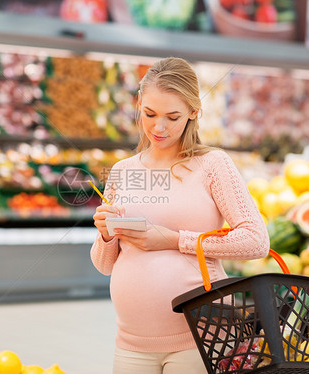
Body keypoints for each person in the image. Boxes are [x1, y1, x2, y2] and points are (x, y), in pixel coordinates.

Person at [90, 57, 269, 374]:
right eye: (149, 114)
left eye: (172, 117)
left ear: (193, 112)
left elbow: (256, 242)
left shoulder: (213, 165)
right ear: (140, 105)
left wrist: (174, 240)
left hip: (202, 339)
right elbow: (104, 265)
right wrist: (106, 234)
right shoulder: (123, 171)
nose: (159, 127)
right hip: (131, 342)